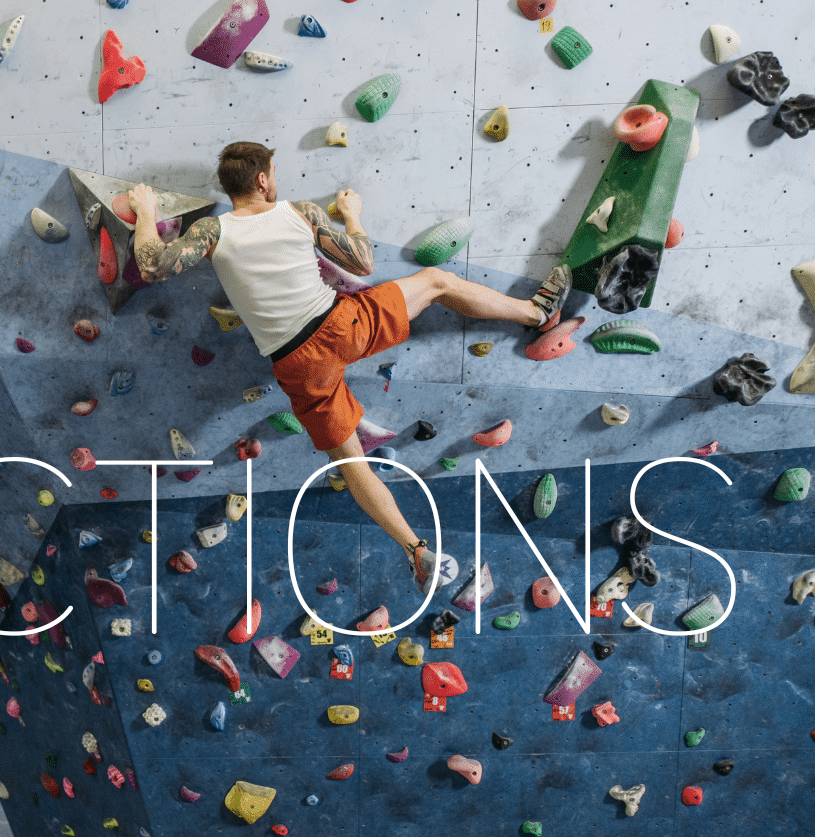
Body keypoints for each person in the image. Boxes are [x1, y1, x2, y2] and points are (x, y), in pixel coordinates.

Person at [126, 141, 569, 588]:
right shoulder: (298, 213)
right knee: (436, 281)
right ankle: (536, 312)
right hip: (343, 328)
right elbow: (363, 261)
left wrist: (145, 210)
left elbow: (153, 265)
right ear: (262, 180)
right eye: (273, 172)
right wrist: (352, 213)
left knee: (352, 464)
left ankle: (416, 549)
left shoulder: (212, 232)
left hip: (296, 364)